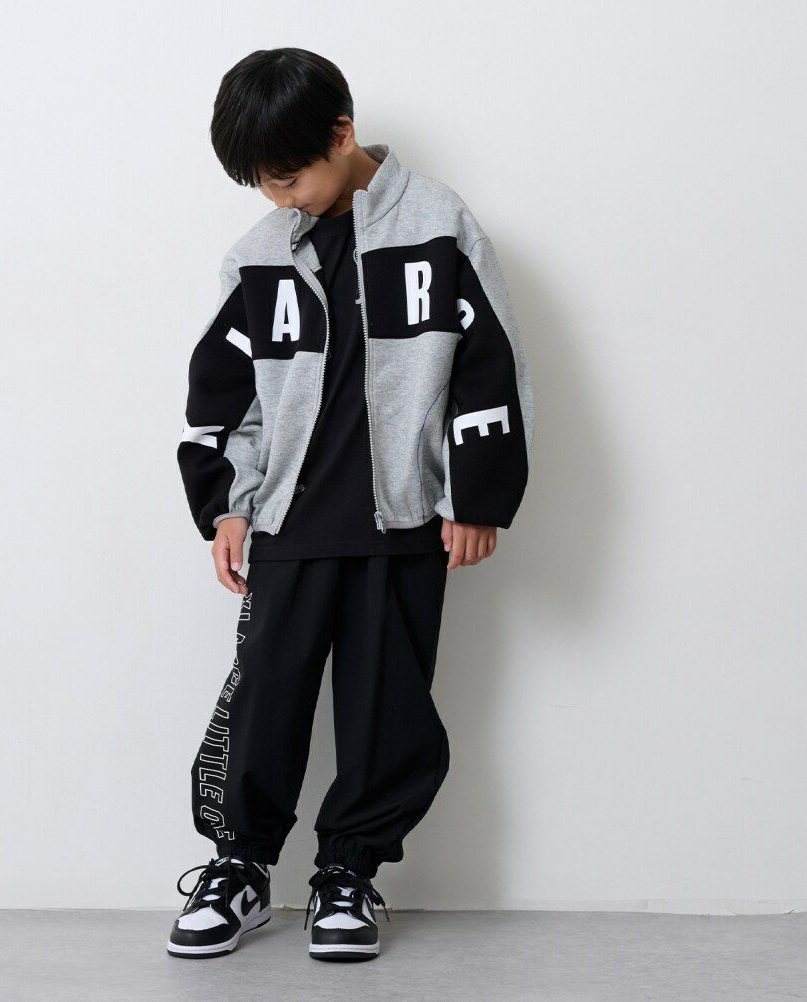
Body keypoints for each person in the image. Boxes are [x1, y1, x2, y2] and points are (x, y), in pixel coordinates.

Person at [168, 47, 532, 961]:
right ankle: (240, 866)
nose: (278, 197)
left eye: (289, 176)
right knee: (265, 702)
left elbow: (489, 363)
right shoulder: (258, 257)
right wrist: (227, 506)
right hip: (288, 527)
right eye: (262, 184)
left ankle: (349, 874)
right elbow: (226, 397)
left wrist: (476, 492)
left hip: (401, 524)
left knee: (387, 711)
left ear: (343, 133)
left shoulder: (438, 225)